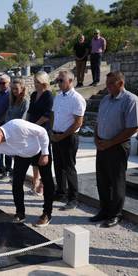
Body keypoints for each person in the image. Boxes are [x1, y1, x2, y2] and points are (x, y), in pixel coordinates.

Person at [0, 120, 55, 227]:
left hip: (39, 150)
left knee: (47, 181)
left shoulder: (17, 126)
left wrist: (45, 153)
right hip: (21, 155)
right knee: (16, 183)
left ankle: (47, 213)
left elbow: (42, 132)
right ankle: (20, 213)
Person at [92, 71, 138, 227]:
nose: (108, 86)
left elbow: (132, 127)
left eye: (111, 83)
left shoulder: (130, 100)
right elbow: (99, 121)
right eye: (107, 83)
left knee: (116, 181)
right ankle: (104, 210)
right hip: (102, 145)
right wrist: (96, 138)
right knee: (102, 180)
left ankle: (115, 214)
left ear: (121, 83)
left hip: (118, 146)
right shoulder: (105, 99)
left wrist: (111, 142)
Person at [51, 70, 86, 210]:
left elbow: (78, 122)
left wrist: (62, 135)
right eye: (58, 80)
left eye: (61, 80)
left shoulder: (77, 98)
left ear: (70, 81)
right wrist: (52, 131)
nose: (58, 83)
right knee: (58, 166)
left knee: (69, 167)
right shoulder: (58, 96)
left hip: (68, 137)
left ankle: (73, 198)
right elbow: (54, 114)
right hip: (56, 135)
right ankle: (60, 192)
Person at [27, 71, 54, 196]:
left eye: (37, 82)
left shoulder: (48, 95)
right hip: (32, 130)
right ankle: (35, 181)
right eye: (34, 82)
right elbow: (30, 111)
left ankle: (43, 185)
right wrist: (27, 125)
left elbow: (47, 115)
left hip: (42, 130)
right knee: (34, 157)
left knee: (44, 157)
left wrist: (35, 126)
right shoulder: (33, 95)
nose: (35, 84)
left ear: (44, 83)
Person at [4, 78, 29, 178]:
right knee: (8, 152)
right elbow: (8, 114)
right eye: (13, 88)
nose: (14, 91)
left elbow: (24, 117)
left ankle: (16, 175)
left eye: (16, 89)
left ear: (22, 88)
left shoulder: (25, 101)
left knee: (18, 155)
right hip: (8, 130)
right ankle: (8, 171)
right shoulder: (12, 100)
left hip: (18, 132)